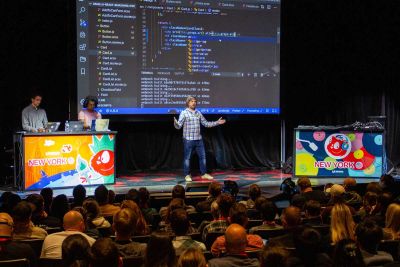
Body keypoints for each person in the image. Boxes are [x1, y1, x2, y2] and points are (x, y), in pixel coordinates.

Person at [174, 96, 226, 182]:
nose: (194, 103)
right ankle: (187, 175)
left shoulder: (198, 113)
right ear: (188, 103)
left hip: (198, 139)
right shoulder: (184, 113)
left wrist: (217, 122)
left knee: (203, 157)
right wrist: (175, 124)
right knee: (187, 158)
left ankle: (204, 174)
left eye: (195, 101)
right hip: (188, 139)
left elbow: (205, 123)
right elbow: (178, 126)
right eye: (191, 101)